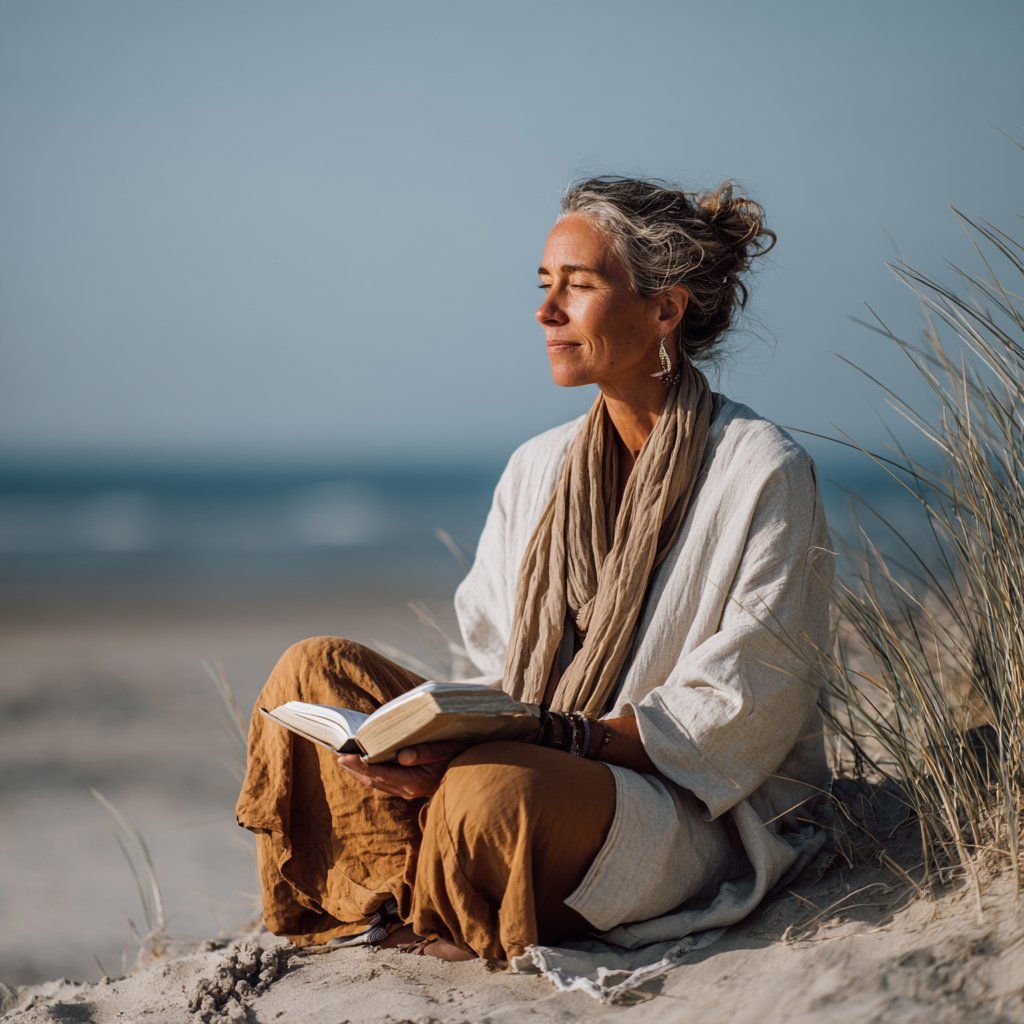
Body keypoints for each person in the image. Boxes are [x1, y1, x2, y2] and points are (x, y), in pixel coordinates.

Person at [236, 176, 833, 964]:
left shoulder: (761, 469)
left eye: (578, 286)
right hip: (532, 757)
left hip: (677, 805)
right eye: (545, 285)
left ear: (665, 308)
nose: (546, 311)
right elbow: (493, 673)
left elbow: (741, 708)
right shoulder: (537, 467)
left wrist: (551, 738)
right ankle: (414, 887)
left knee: (491, 794)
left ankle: (452, 882)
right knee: (307, 675)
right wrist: (432, 746)